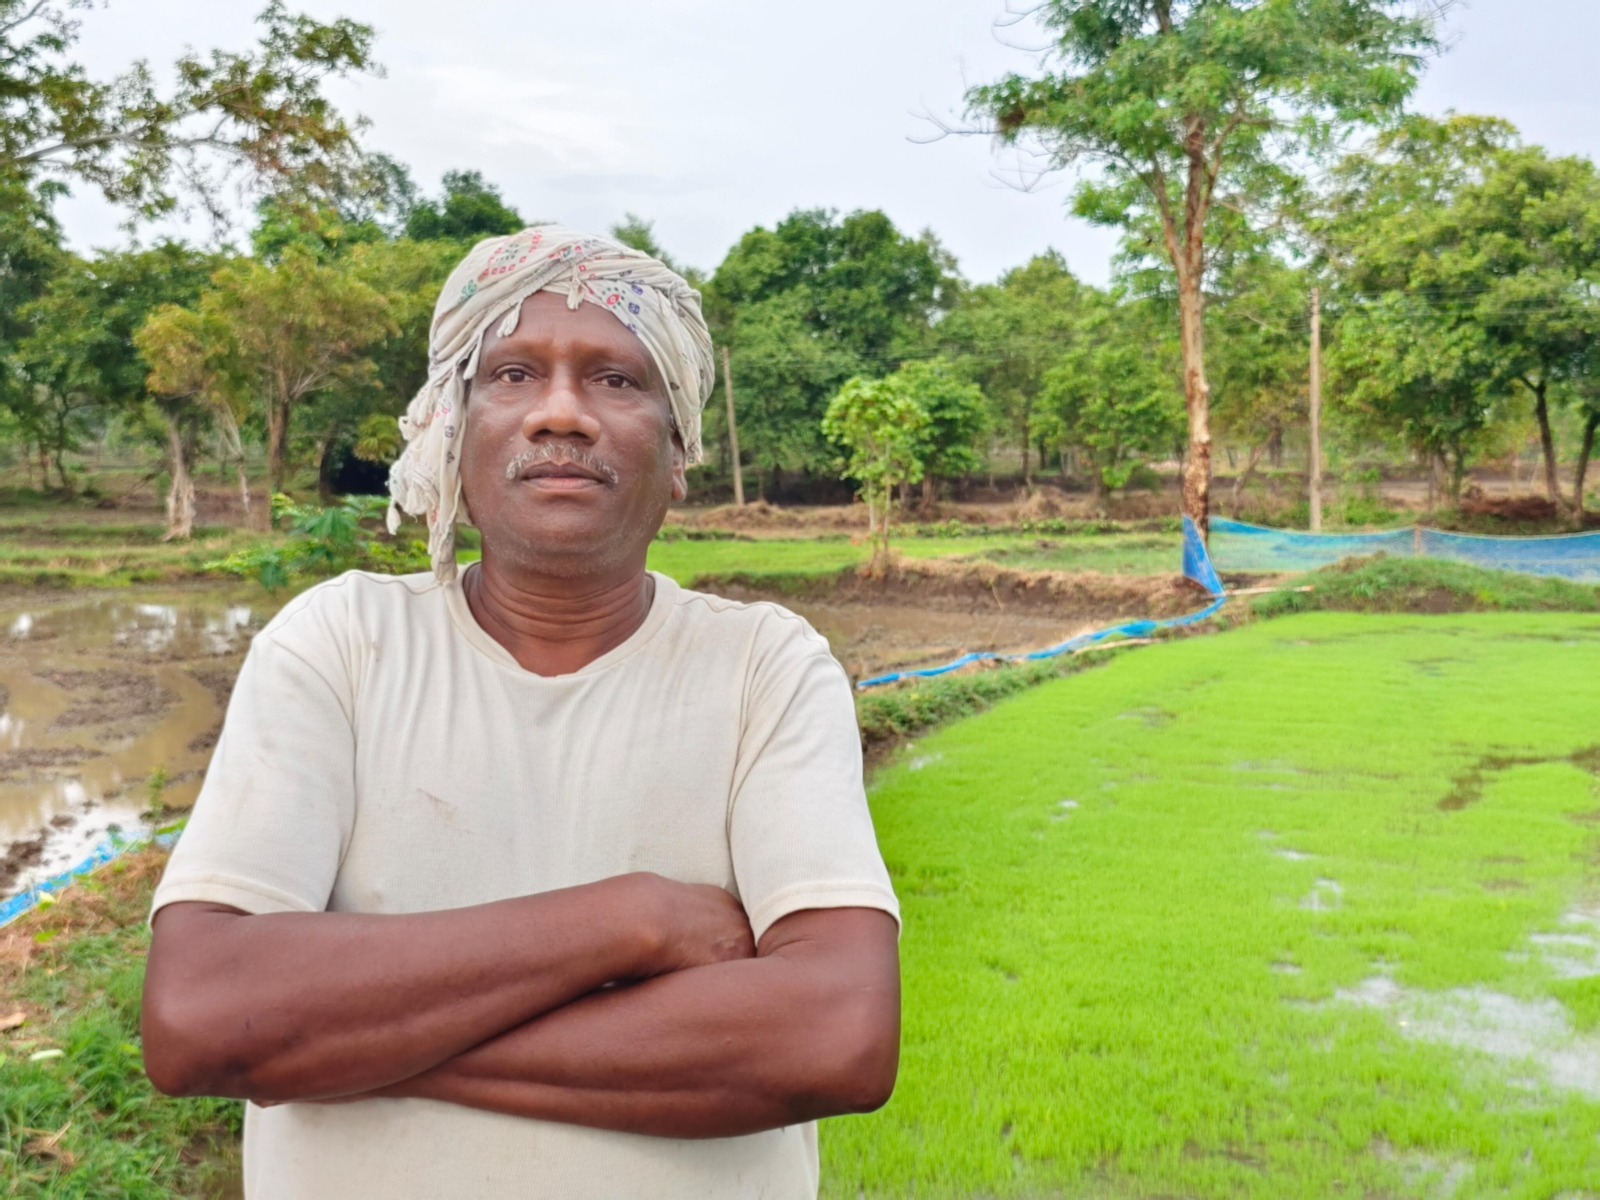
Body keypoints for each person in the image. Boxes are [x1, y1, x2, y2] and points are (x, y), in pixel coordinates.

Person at [140, 225, 902, 1200]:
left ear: (679, 454)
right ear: (450, 435)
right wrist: (635, 919)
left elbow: (833, 1035)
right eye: (510, 373)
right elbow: (203, 1015)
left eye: (617, 381)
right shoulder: (340, 643)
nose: (561, 414)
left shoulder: (763, 667)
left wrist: (349, 1038)